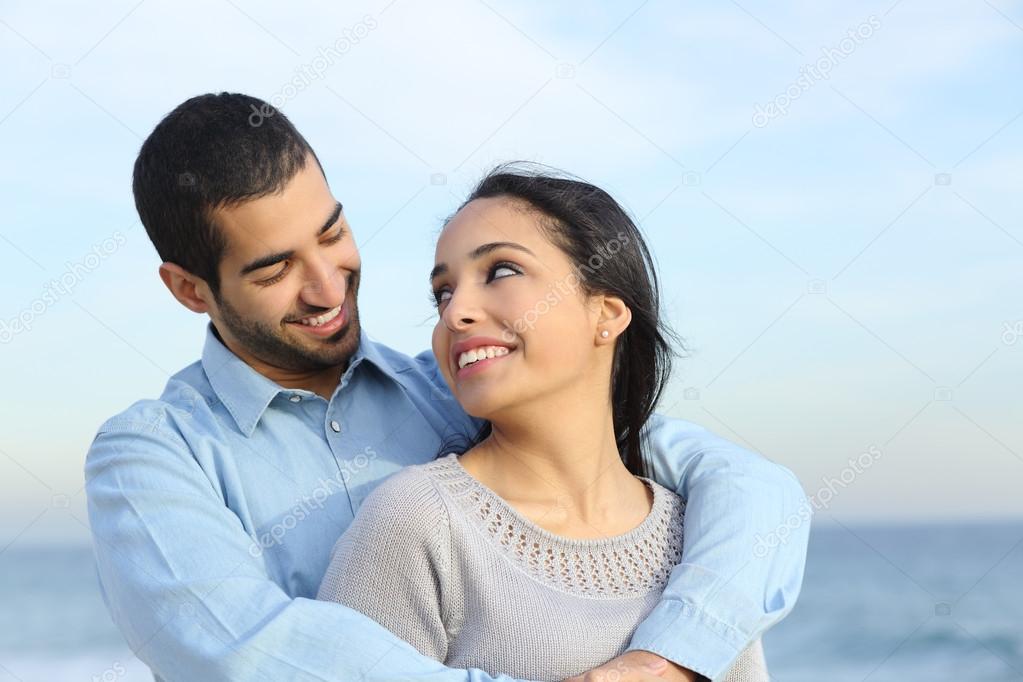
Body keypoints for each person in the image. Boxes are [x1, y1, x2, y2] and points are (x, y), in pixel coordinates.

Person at [84, 93, 810, 682]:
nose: (327, 286)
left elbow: (747, 486)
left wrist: (675, 653)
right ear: (190, 289)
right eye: (275, 270)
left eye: (332, 234)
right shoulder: (152, 457)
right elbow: (242, 655)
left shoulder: (457, 388)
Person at [316, 166, 771, 681]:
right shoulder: (416, 521)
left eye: (501, 271)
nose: (455, 312)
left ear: (606, 313)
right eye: (443, 292)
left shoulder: (700, 545)